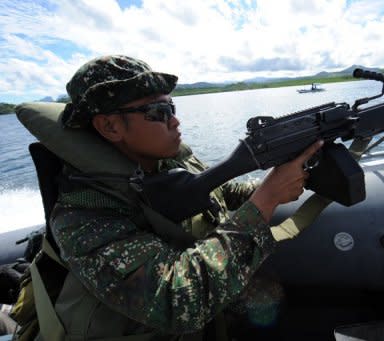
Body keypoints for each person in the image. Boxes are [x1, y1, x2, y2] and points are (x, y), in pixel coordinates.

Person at [13, 55, 323, 340]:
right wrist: (266, 199)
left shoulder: (169, 162)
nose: (175, 121)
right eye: (159, 112)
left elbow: (219, 194)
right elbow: (177, 301)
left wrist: (285, 181)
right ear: (110, 126)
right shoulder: (83, 216)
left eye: (172, 108)